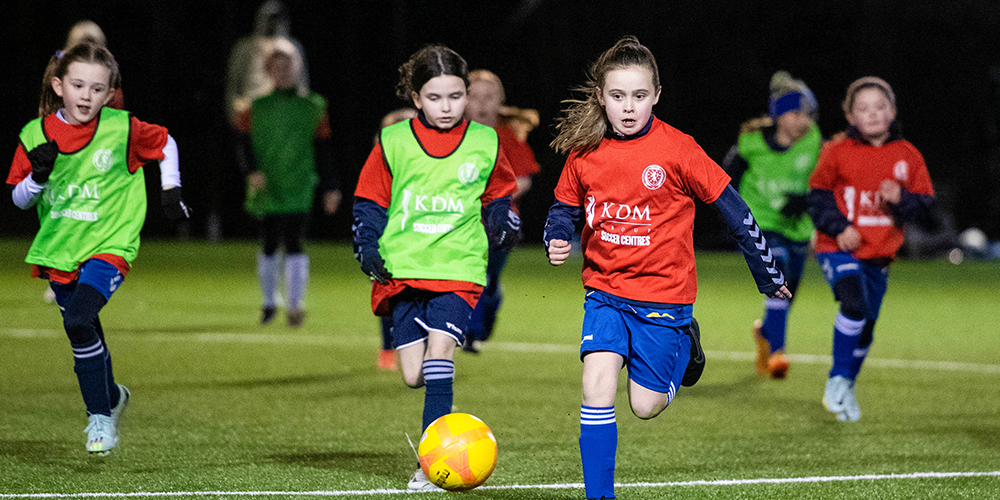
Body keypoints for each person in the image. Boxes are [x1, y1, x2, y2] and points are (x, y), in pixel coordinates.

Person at [543, 36, 790, 500]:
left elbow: (733, 211)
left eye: (639, 96)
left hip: (663, 297)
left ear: (656, 94)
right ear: (601, 96)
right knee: (595, 384)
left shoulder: (678, 149)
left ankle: (686, 344)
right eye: (617, 96)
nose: (629, 107)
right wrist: (556, 234)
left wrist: (767, 273)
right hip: (605, 291)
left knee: (644, 405)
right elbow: (564, 206)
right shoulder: (585, 150)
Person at [7, 43, 190, 455]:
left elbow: (166, 143)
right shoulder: (34, 135)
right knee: (84, 326)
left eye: (96, 88)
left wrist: (170, 186)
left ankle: (100, 420)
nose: (86, 96)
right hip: (60, 251)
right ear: (58, 86)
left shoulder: (121, 128)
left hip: (111, 245)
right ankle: (112, 397)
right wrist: (37, 177)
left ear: (109, 93)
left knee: (78, 320)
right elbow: (18, 199)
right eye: (77, 85)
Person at [352, 44, 520, 490]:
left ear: (466, 94)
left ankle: (431, 466)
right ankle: (435, 439)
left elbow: (499, 193)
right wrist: (367, 241)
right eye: (434, 98)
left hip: (459, 266)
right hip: (404, 266)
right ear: (416, 98)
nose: (446, 107)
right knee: (413, 375)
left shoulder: (486, 141)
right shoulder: (394, 141)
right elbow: (370, 199)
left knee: (440, 356)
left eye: (455, 96)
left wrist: (503, 219)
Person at [808, 77, 934, 422]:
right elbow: (817, 198)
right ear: (850, 116)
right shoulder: (836, 152)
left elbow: (925, 207)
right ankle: (837, 378)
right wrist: (840, 228)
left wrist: (902, 199)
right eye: (863, 108)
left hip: (878, 255)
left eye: (880, 107)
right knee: (853, 303)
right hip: (838, 249)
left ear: (892, 111)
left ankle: (847, 382)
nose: (873, 114)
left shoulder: (907, 155)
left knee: (867, 328)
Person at [721, 70, 822, 379]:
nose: (803, 120)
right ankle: (778, 352)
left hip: (798, 228)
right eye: (795, 113)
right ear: (778, 116)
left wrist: (806, 201)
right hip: (762, 225)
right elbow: (726, 179)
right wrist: (733, 215)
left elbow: (822, 182)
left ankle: (765, 333)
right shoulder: (750, 143)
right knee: (778, 280)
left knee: (788, 293)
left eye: (806, 114)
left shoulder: (813, 141)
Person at [234, 37, 340, 327]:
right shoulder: (254, 106)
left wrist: (331, 186)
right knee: (268, 242)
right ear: (268, 70)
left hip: (299, 181)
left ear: (297, 68)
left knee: (295, 241)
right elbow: (242, 144)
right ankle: (269, 303)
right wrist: (251, 171)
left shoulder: (314, 105)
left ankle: (295, 304)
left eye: (288, 65)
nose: (283, 71)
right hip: (267, 183)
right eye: (276, 66)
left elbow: (323, 148)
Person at [39, 20, 126, 305]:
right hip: (64, 157)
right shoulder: (59, 73)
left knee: (87, 219)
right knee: (62, 217)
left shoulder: (107, 79)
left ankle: (82, 278)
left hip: (93, 161)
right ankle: (59, 276)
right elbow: (47, 113)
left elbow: (114, 119)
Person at [462, 69, 541, 353]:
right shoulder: (453, 136)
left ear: (500, 102)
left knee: (487, 277)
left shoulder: (507, 138)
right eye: (475, 96)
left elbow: (523, 180)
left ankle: (487, 309)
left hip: (500, 223)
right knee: (469, 272)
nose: (482, 104)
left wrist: (489, 196)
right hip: (461, 221)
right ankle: (468, 333)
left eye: (489, 97)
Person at [374, 107, 417, 371]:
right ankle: (388, 348)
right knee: (390, 295)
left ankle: (427, 347)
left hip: (425, 243)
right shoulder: (381, 169)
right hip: (390, 244)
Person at [225, 0, 309, 128]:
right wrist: (232, 112)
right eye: (268, 18)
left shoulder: (291, 47)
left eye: (276, 18)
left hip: (283, 115)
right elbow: (233, 81)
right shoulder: (246, 47)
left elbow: (302, 83)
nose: (272, 23)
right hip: (252, 111)